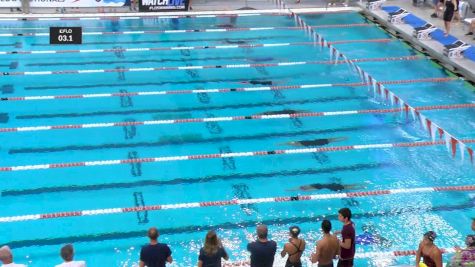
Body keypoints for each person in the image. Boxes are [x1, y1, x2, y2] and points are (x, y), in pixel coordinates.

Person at [287, 183, 363, 192]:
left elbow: (302, 188)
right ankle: (361, 185)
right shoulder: (315, 185)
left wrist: (290, 190)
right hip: (331, 185)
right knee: (346, 186)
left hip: (332, 187)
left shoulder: (315, 187)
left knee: (346, 187)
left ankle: (360, 187)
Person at [282, 137, 347, 147]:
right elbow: (292, 143)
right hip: (317, 141)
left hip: (317, 143)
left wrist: (283, 143)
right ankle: (343, 138)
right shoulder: (300, 143)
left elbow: (292, 143)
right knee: (331, 140)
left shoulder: (299, 144)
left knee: (331, 141)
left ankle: (343, 139)